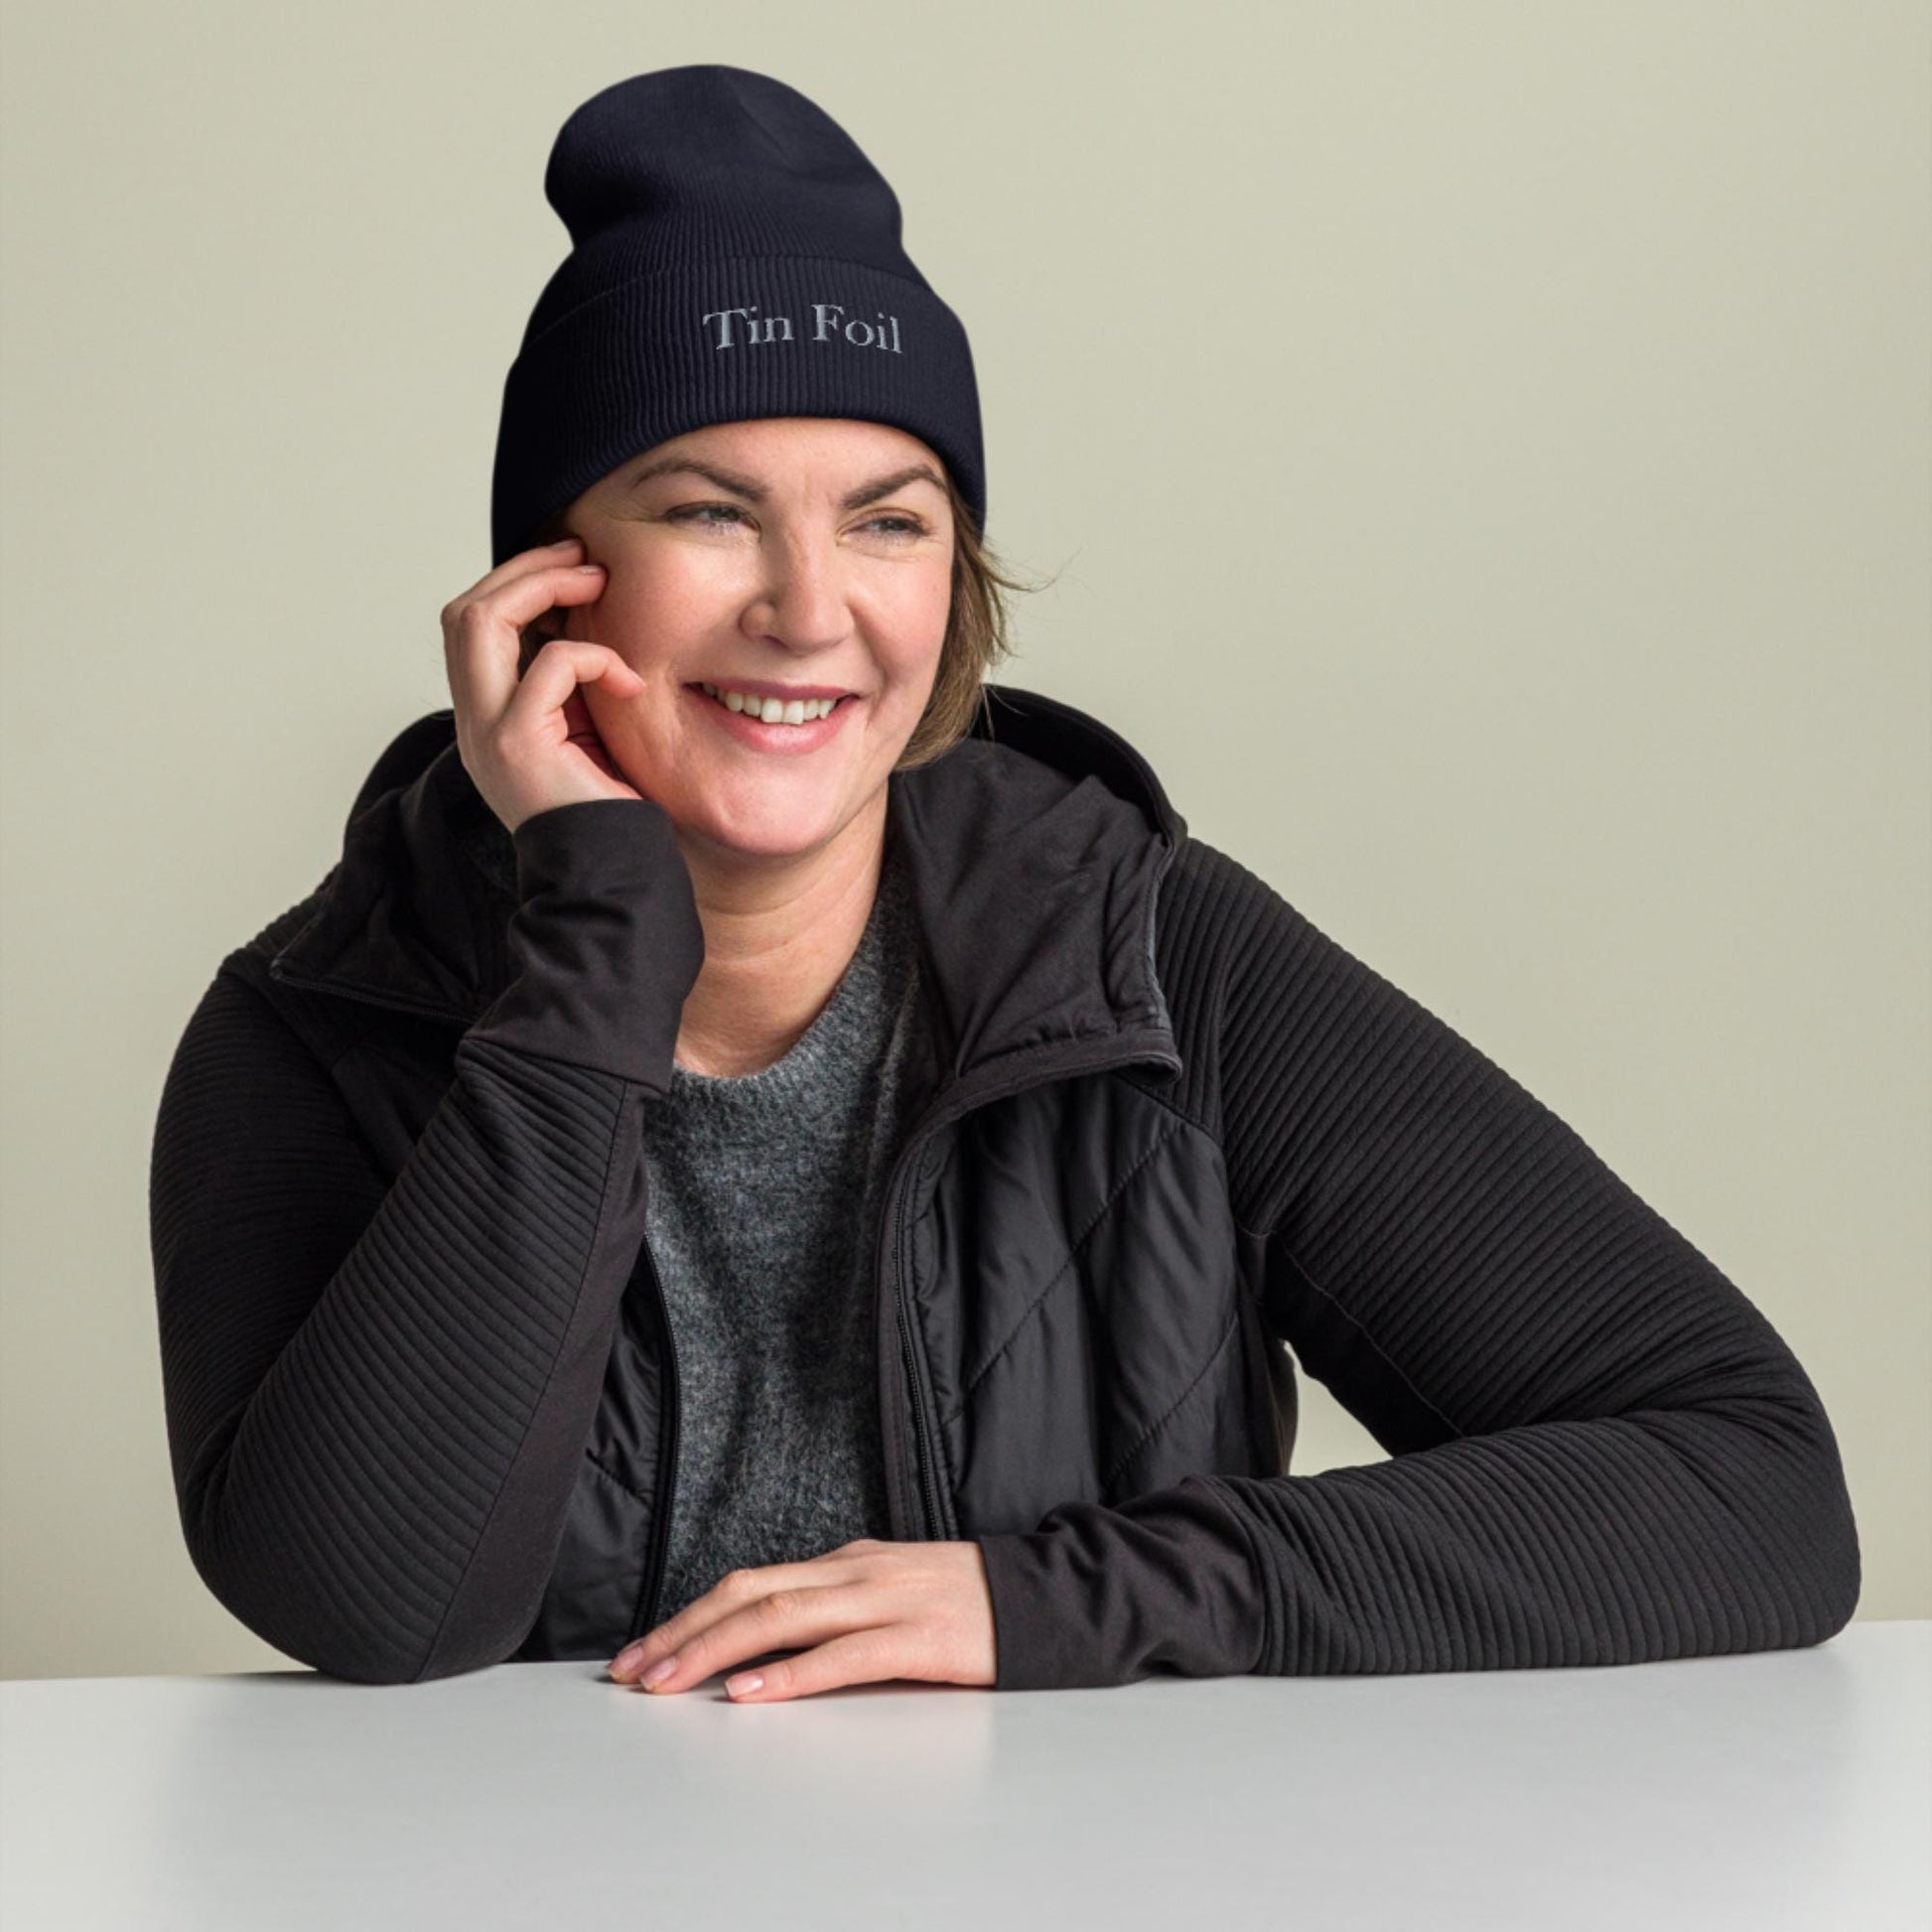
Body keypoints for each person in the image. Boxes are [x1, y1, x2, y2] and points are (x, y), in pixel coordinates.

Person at [148, 64, 1861, 1700]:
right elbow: (364, 1601)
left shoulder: (1147, 959)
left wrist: (1056, 1593)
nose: (810, 610)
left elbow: (1746, 1479)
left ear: (952, 577)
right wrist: (592, 923)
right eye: (708, 512)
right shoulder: (317, 1028)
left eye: (888, 520)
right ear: (544, 584)